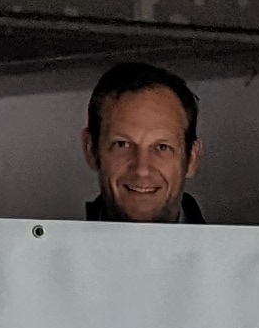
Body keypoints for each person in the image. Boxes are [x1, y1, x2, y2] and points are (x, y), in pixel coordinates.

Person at [81, 60, 206, 225]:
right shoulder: (52, 243)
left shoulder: (231, 244)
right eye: (122, 145)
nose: (142, 170)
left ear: (192, 159)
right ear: (91, 149)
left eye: (162, 147)